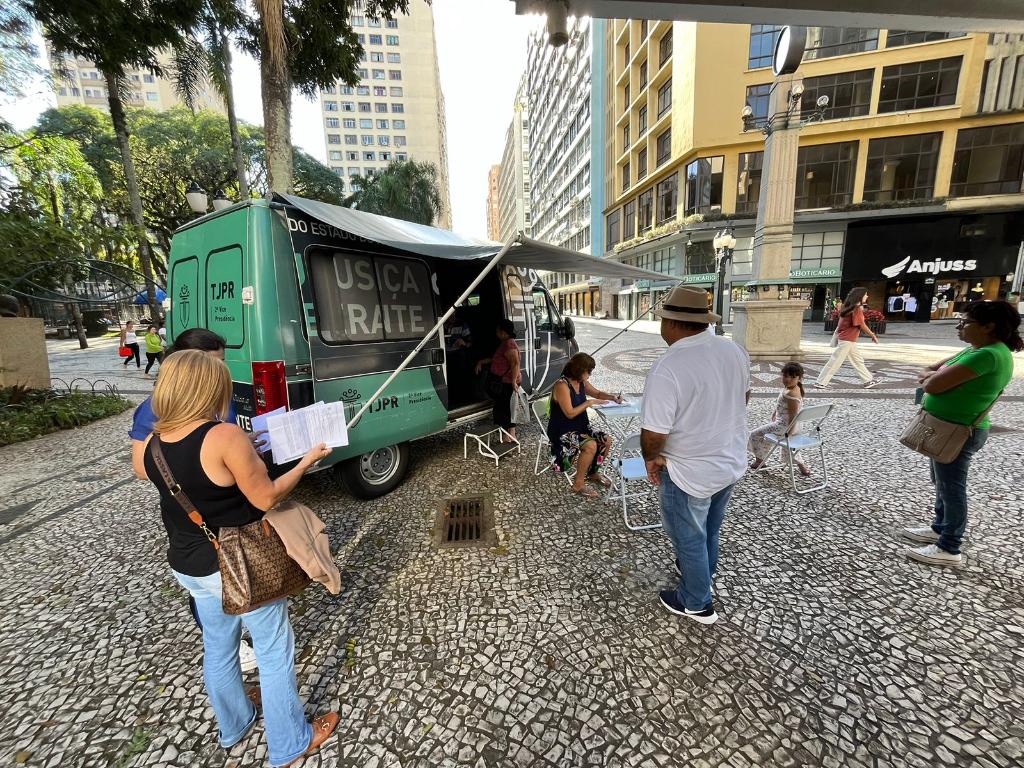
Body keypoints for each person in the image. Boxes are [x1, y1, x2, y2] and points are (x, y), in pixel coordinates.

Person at [131, 351, 339, 766]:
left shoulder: (153, 441)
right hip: (237, 564)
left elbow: (183, 476)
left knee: (218, 647)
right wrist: (307, 461)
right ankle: (290, 743)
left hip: (188, 562)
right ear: (210, 387)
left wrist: (246, 452)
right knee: (274, 651)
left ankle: (235, 726)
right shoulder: (224, 436)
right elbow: (265, 498)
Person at [130, 328, 258, 671]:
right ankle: (238, 644)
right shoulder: (154, 407)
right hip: (195, 517)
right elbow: (144, 466)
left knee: (224, 590)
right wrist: (206, 467)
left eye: (221, 363)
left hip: (225, 511)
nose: (219, 373)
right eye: (211, 364)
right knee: (207, 580)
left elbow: (217, 438)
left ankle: (234, 717)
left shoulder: (219, 396)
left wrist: (239, 447)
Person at [641, 286, 750, 626]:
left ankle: (696, 602)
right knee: (709, 530)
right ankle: (700, 572)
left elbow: (654, 433)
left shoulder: (668, 366)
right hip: (728, 462)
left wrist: (651, 459)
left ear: (672, 323)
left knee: (689, 536)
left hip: (688, 471)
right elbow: (742, 398)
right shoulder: (733, 350)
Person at [902, 300, 1021, 566]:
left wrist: (930, 379)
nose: (959, 326)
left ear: (989, 326)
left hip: (959, 430)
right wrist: (930, 377)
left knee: (952, 488)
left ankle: (949, 546)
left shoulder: (987, 355)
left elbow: (932, 383)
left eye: (965, 322)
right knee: (942, 483)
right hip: (944, 427)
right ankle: (940, 527)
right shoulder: (975, 350)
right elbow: (931, 370)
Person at [547, 353, 622, 498]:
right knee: (591, 445)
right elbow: (569, 413)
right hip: (562, 430)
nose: (590, 375)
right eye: (589, 371)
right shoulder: (562, 385)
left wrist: (613, 398)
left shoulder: (581, 382)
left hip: (580, 427)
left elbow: (598, 393)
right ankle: (578, 484)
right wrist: (588, 403)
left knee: (607, 440)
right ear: (579, 370)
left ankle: (592, 473)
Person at [748, 361, 811, 476]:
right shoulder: (794, 388)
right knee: (788, 445)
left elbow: (793, 415)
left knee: (754, 434)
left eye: (792, 377)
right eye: (786, 376)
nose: (788, 379)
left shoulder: (792, 394)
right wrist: (775, 412)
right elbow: (783, 405)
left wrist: (789, 432)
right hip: (790, 425)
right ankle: (802, 466)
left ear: (799, 378)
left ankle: (759, 461)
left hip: (785, 426)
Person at [814, 287, 879, 389]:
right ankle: (820, 382)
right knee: (835, 361)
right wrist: (872, 335)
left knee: (858, 361)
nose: (867, 296)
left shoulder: (848, 307)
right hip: (847, 339)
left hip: (848, 339)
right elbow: (861, 325)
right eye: (865, 294)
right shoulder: (856, 309)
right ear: (860, 296)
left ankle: (868, 380)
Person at [475, 319, 522, 442]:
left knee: (503, 409)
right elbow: (497, 359)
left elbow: (515, 363)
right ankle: (511, 435)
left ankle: (507, 436)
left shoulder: (509, 344)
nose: (496, 332)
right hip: (506, 381)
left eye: (497, 330)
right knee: (507, 407)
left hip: (506, 382)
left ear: (503, 332)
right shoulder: (506, 343)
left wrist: (513, 381)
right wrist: (482, 362)